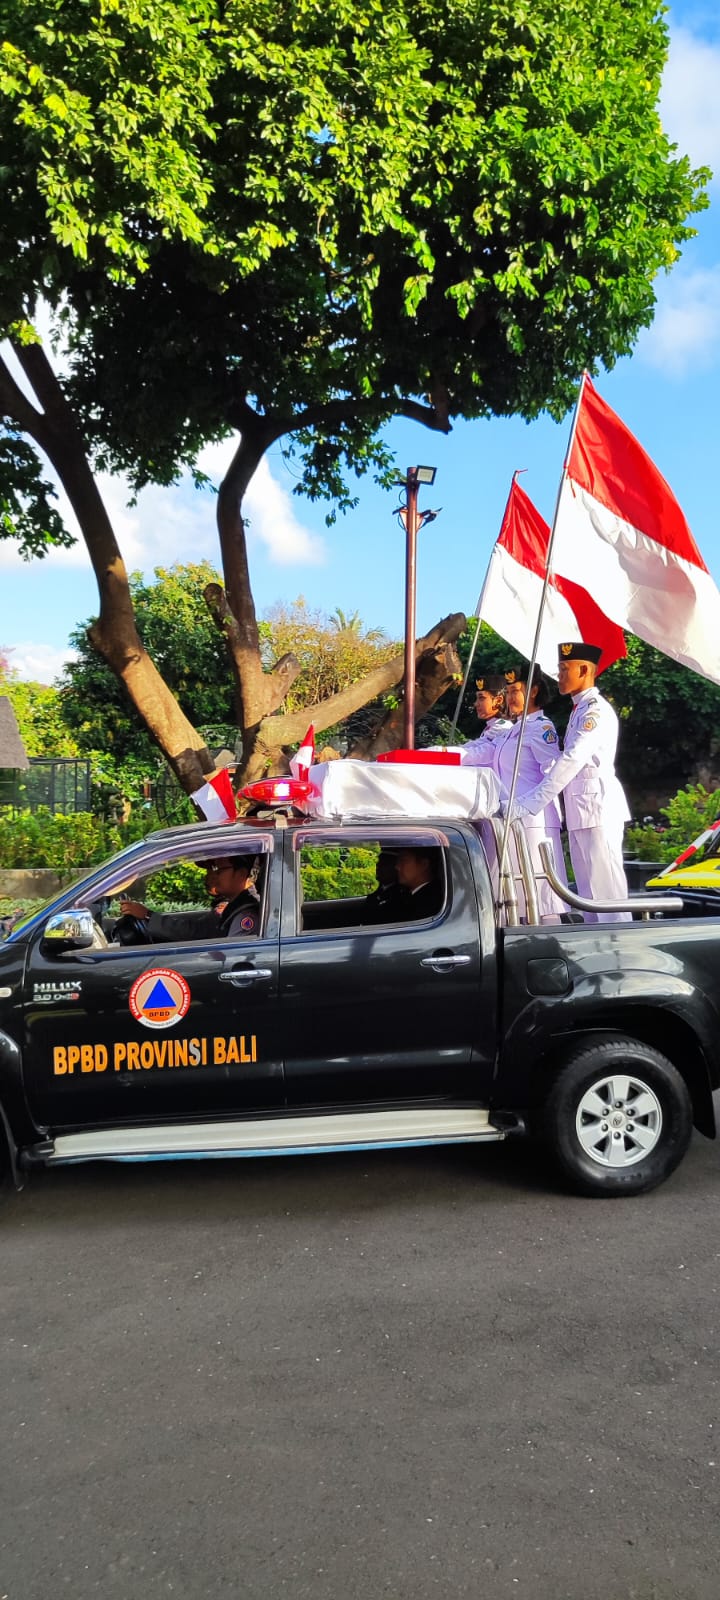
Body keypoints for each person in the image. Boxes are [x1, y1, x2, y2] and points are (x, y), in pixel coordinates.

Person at [509, 644, 631, 923]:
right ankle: (598, 955)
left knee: (608, 897)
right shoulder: (579, 710)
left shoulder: (594, 711)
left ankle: (619, 958)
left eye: (565, 669)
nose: (559, 675)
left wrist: (530, 803)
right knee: (588, 897)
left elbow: (572, 759)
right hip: (581, 809)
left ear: (585, 670)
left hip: (598, 809)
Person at [498, 667, 568, 922]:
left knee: (543, 900)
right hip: (515, 821)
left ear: (534, 691)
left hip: (535, 822)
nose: (510, 698)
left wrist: (529, 805)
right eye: (507, 692)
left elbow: (554, 774)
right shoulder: (514, 729)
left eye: (516, 691)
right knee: (521, 898)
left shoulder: (541, 727)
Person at [118, 854, 261, 942]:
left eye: (218, 869)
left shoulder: (246, 915)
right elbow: (199, 930)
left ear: (241, 874)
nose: (212, 875)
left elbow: (234, 958)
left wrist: (148, 915)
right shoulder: (232, 906)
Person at [459, 674, 513, 772]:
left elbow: (473, 753)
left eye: (481, 698)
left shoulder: (502, 727)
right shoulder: (492, 726)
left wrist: (441, 754)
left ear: (498, 700)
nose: (476, 704)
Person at [393, 846, 443, 920]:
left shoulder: (430, 903)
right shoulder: (407, 894)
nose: (397, 866)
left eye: (403, 860)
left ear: (424, 864)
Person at [361, 850, 405, 925]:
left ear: (396, 868)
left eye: (383, 865)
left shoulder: (399, 896)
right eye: (378, 864)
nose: (378, 868)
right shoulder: (378, 892)